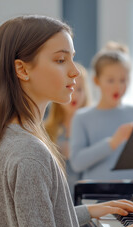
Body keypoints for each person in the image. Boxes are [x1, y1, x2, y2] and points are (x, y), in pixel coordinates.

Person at [0, 15, 133, 227]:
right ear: (22, 70)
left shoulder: (6, 136)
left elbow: (32, 218)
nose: (75, 71)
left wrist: (91, 211)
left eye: (72, 59)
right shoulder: (29, 154)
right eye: (61, 61)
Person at [69, 42, 133, 181]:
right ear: (96, 80)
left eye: (123, 80)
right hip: (96, 196)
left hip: (131, 195)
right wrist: (113, 142)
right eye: (110, 80)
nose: (118, 87)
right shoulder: (82, 117)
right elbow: (77, 163)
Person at [45, 62, 91, 196]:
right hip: (58, 195)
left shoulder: (91, 127)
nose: (74, 95)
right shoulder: (47, 128)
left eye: (80, 89)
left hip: (84, 195)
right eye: (70, 87)